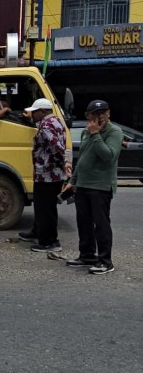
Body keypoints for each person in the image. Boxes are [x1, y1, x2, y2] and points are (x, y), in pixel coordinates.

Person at [62, 99, 123, 275]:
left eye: (102, 113)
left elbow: (108, 156)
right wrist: (73, 181)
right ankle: (87, 255)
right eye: (95, 113)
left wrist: (96, 134)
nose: (99, 116)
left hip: (101, 186)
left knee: (101, 224)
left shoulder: (114, 132)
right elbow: (82, 159)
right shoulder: (85, 132)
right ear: (88, 116)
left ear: (109, 113)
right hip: (82, 184)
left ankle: (105, 261)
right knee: (84, 223)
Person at [22, 98, 67, 253]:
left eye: (34, 112)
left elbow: (57, 148)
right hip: (52, 174)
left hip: (47, 175)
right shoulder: (56, 121)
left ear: (42, 111)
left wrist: (59, 163)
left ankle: (50, 242)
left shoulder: (46, 126)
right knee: (44, 206)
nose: (32, 114)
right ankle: (38, 231)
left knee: (45, 209)